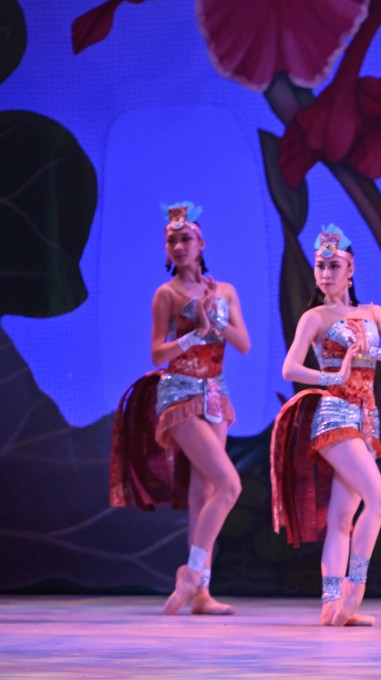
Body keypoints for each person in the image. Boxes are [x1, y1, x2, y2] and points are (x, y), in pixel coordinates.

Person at [110, 201, 250, 615]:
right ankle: (190, 572)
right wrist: (196, 334)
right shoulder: (166, 294)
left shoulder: (224, 292)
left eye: (185, 238)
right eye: (171, 240)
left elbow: (243, 344)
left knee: (203, 492)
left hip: (215, 394)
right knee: (229, 485)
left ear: (201, 242)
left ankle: (201, 594)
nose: (178, 246)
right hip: (180, 393)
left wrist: (215, 321)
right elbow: (157, 354)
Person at [270, 224, 381, 626]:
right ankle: (355, 588)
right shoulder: (315, 317)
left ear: (351, 269)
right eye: (320, 266)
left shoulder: (372, 313)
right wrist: (331, 377)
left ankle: (331, 604)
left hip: (368, 418)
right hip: (335, 415)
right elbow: (290, 368)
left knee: (341, 517)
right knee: (379, 500)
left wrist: (374, 350)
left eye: (334, 265)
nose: (326, 273)